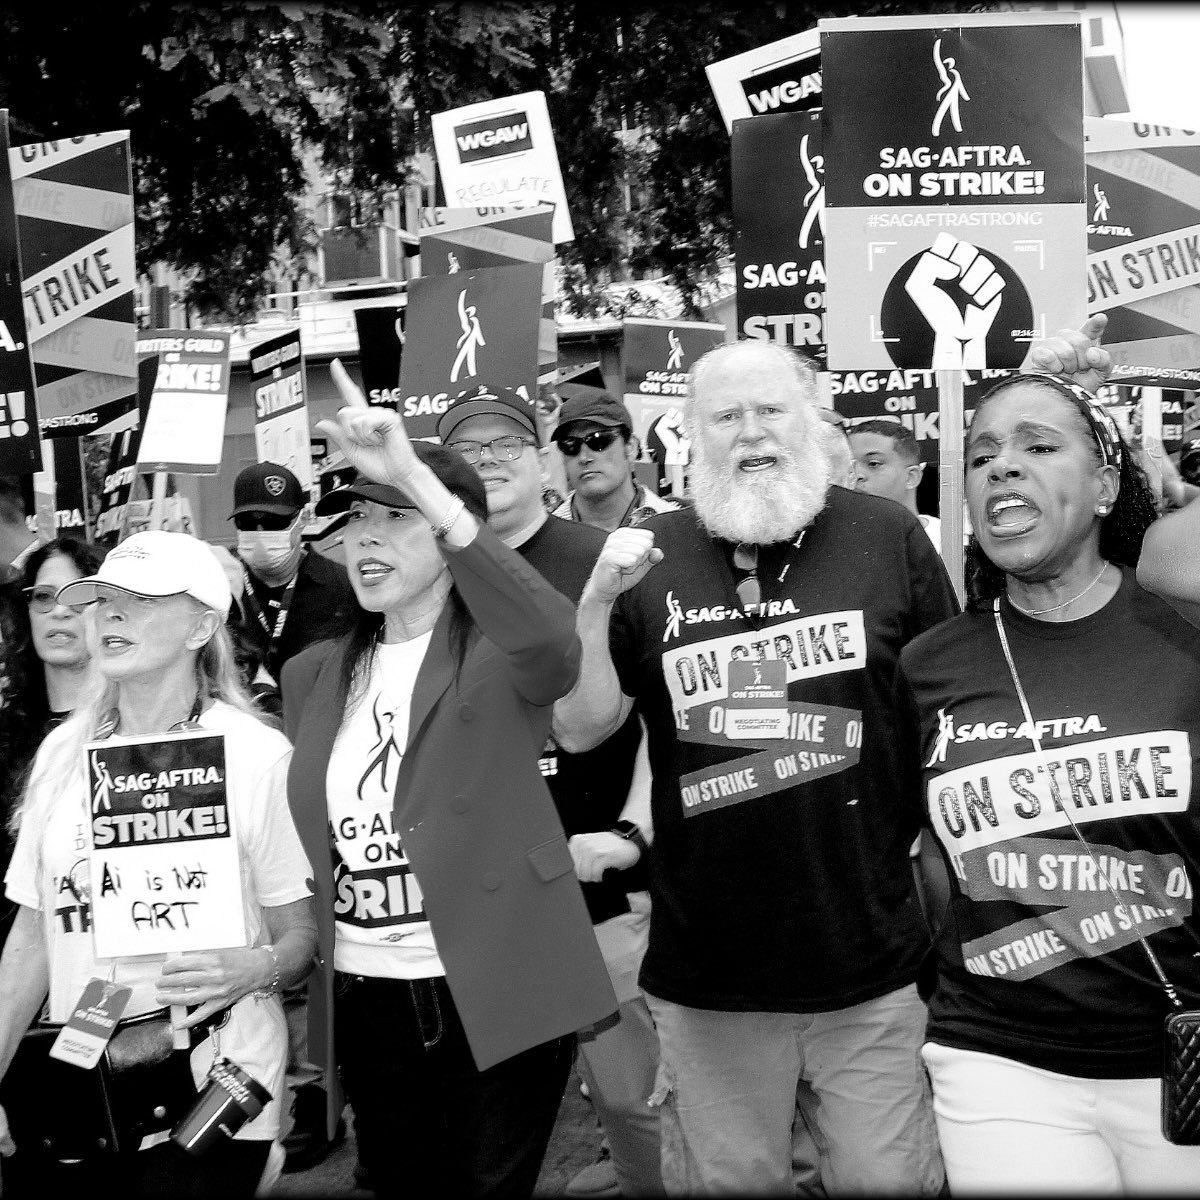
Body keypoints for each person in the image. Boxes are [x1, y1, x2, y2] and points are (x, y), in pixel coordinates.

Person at [554, 339, 956, 1195]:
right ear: (693, 437)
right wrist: (592, 605)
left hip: (872, 968)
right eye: (725, 416)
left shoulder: (887, 536)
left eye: (770, 410)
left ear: (811, 421)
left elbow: (944, 720)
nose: (751, 433)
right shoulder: (644, 558)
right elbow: (582, 729)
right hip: (710, 982)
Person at [282, 362, 616, 1199]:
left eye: (391, 521)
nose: (363, 540)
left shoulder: (498, 652)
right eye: (353, 522)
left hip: (493, 977)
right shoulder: (314, 672)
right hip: (365, 989)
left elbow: (552, 639)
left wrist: (419, 482)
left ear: (444, 529)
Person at [894, 349, 1200, 1191]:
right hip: (997, 1059)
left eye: (1037, 446)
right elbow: (919, 851)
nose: (1003, 469)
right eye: (984, 454)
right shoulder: (930, 664)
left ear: (1107, 487)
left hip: (1178, 1053)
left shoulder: (1184, 623)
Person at [0, 530, 316, 1197]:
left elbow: (301, 938)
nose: (109, 613)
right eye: (104, 599)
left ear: (202, 624)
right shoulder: (62, 755)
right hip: (86, 1069)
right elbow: (30, 939)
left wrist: (254, 966)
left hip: (218, 1072)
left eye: (139, 600)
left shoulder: (255, 755)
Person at [437, 384, 665, 1198]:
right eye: (468, 450)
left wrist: (633, 841)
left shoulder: (605, 561)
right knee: (490, 1116)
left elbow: (661, 725)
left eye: (507, 446)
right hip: (482, 901)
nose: (489, 462)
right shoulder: (429, 570)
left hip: (597, 888)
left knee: (634, 1097)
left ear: (543, 463)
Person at [228, 459, 354, 1167]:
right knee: (267, 947)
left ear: (303, 523)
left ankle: (320, 1097)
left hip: (320, 793)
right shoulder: (219, 595)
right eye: (248, 523)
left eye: (274, 523)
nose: (261, 535)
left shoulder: (340, 590)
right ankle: (285, 1091)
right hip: (245, 800)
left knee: (319, 949)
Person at [0, 539, 105, 947]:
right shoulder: (8, 736)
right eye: (43, 597)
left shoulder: (136, 733)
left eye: (79, 596)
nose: (59, 610)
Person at [548, 388, 685, 532]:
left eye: (598, 440)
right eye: (570, 444)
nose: (584, 457)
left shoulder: (680, 530)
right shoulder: (544, 541)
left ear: (630, 447)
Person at [849, 419, 940, 549]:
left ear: (911, 477)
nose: (857, 475)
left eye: (873, 463)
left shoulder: (953, 541)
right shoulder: (832, 545)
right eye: (850, 466)